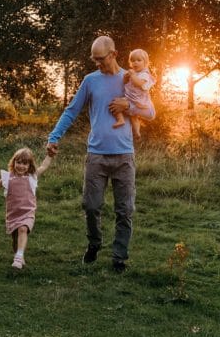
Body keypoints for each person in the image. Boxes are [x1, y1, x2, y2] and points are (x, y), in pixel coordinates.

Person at [46, 36, 155, 273]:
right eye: (94, 60)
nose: (97, 64)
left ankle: (119, 257)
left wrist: (129, 107)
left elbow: (151, 113)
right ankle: (94, 244)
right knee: (91, 206)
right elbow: (72, 110)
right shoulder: (90, 81)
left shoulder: (130, 78)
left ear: (113, 54)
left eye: (101, 59)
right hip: (96, 155)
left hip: (124, 155)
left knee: (124, 210)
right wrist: (54, 137)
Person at [0, 147, 53, 269]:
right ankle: (18, 256)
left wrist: (50, 156)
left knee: (23, 229)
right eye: (18, 162)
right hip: (13, 213)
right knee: (15, 238)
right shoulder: (8, 177)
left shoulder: (32, 177)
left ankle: (19, 256)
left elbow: (44, 167)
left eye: (25, 163)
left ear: (30, 165)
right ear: (13, 162)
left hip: (27, 213)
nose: (21, 166)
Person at [111, 48, 156, 140]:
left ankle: (133, 129)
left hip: (139, 100)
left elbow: (138, 83)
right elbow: (125, 83)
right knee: (118, 104)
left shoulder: (145, 74)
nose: (135, 63)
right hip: (130, 98)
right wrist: (125, 78)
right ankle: (134, 130)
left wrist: (132, 75)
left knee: (132, 114)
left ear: (145, 62)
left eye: (139, 60)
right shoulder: (133, 73)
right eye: (133, 60)